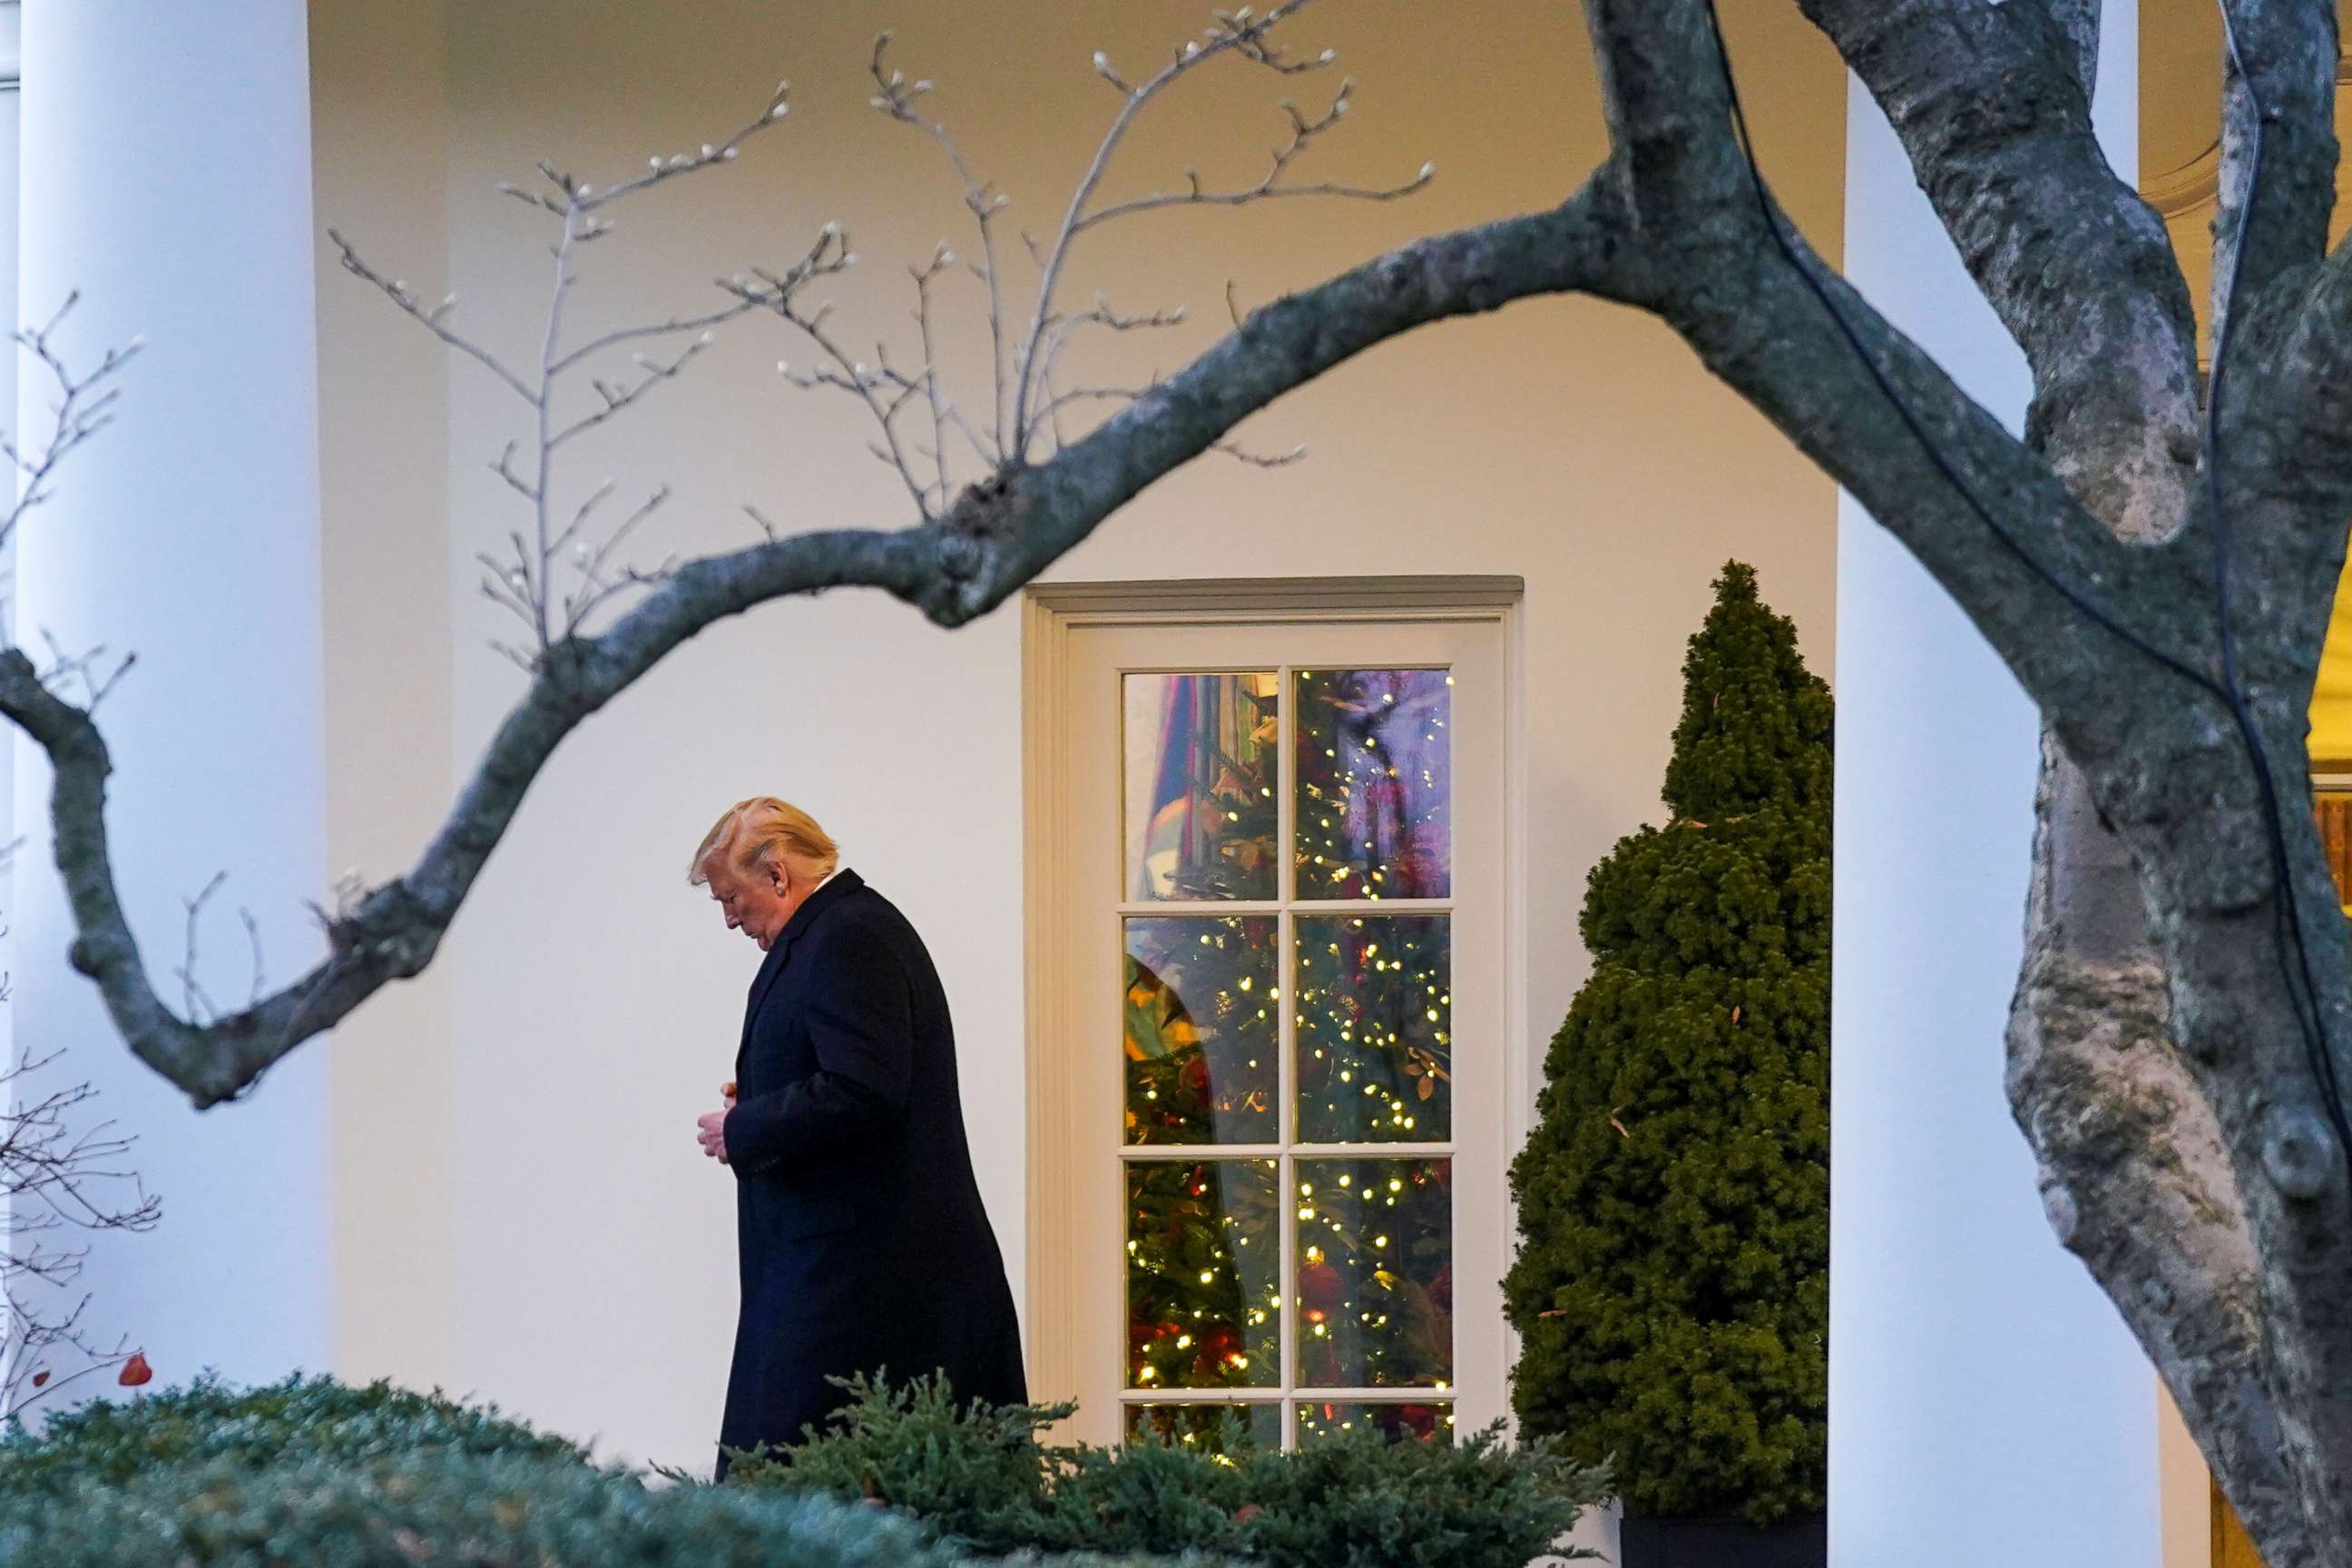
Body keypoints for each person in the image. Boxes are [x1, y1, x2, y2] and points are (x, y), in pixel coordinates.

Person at [688, 797, 1025, 1478]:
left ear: (778, 876)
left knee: (800, 1507)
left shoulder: (846, 937)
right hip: (848, 1281)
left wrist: (745, 1126)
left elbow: (866, 1089)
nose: (729, 918)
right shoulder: (842, 930)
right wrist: (760, 1097)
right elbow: (850, 1074)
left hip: (854, 1296)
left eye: (732, 897)